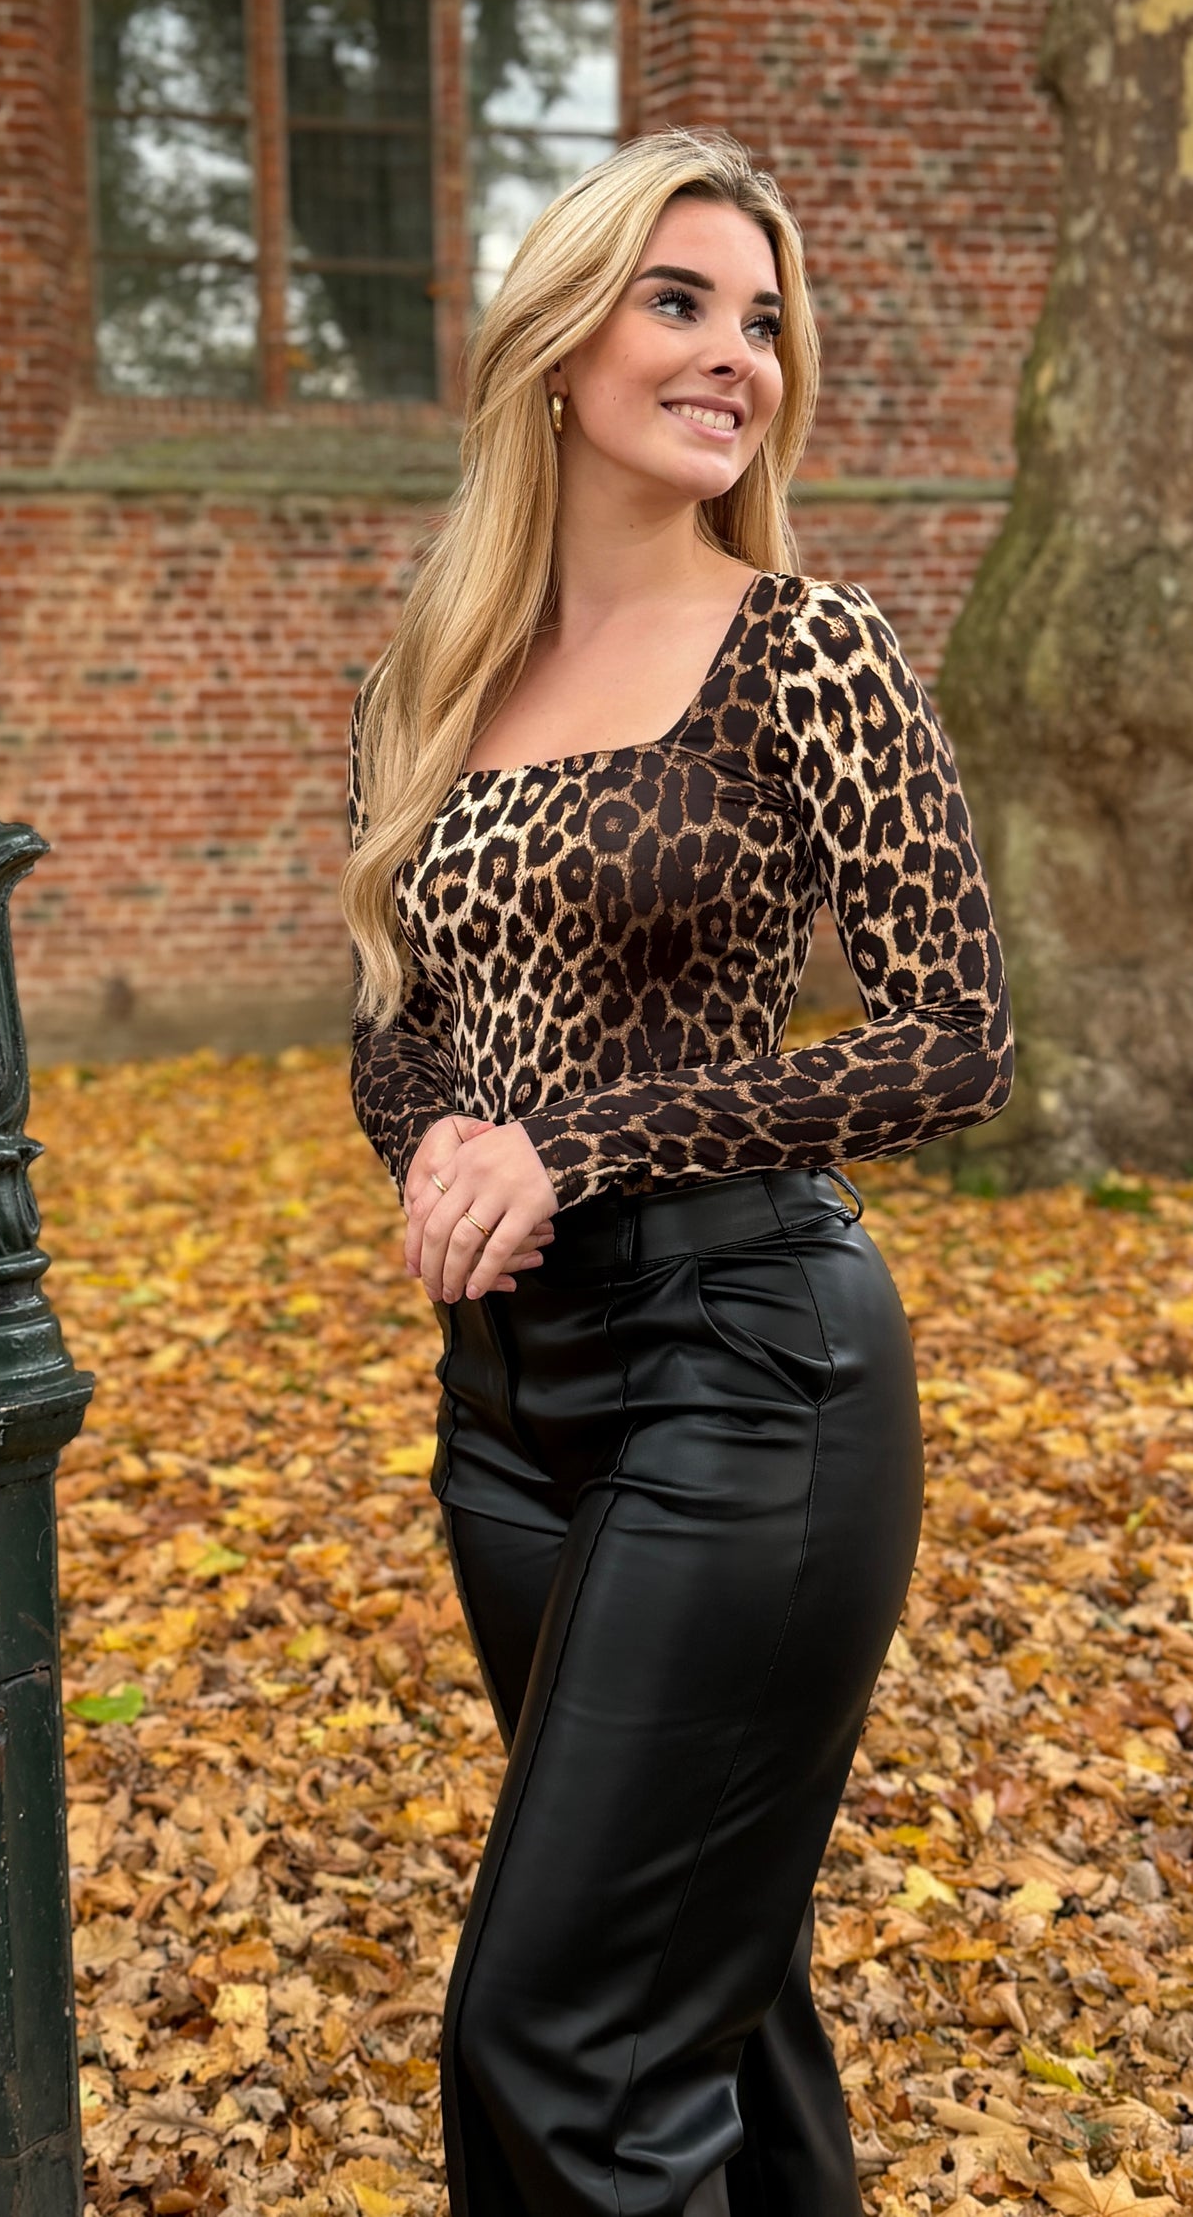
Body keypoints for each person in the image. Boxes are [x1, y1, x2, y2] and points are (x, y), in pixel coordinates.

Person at [340, 127, 1014, 2217]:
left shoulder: (807, 645)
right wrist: (440, 1141)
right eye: (680, 300)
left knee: (554, 2032)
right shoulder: (431, 674)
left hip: (749, 1370)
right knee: (706, 1991)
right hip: (506, 1403)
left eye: (762, 319)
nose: (737, 352)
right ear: (558, 347)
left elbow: (952, 1040)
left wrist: (578, 1139)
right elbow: (394, 1011)